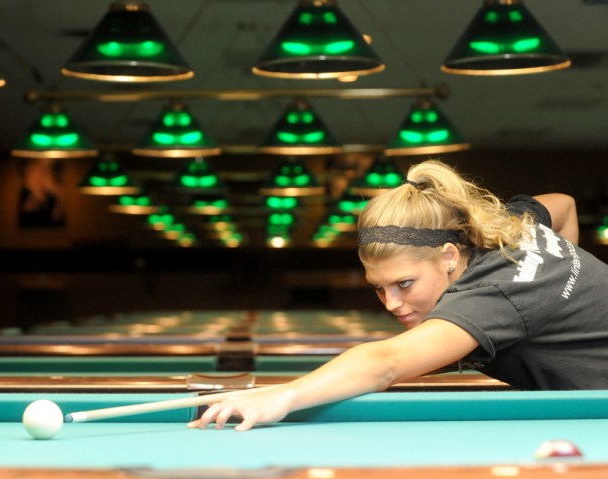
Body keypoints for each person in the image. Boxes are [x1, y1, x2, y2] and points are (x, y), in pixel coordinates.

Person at [189, 159, 608, 432]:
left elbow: (386, 362)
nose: (391, 304)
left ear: (448, 255)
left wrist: (285, 394)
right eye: (379, 288)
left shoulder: (492, 292)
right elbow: (564, 205)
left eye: (404, 284)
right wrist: (557, 307)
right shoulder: (511, 230)